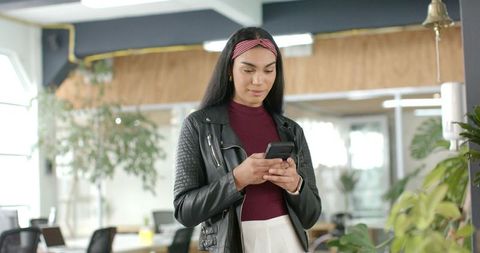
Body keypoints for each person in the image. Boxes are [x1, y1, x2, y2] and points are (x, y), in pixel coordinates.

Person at [173, 27, 322, 253]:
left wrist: (295, 185)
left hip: (288, 242)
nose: (259, 80)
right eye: (248, 70)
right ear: (230, 70)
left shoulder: (291, 130)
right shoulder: (199, 126)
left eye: (269, 70)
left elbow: (311, 216)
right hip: (235, 244)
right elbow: (184, 211)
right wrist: (236, 180)